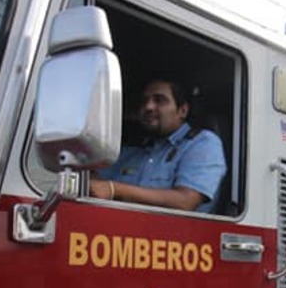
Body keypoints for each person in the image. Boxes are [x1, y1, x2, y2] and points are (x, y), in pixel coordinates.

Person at [89, 78, 226, 213]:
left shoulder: (202, 143)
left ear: (182, 111)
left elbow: (186, 201)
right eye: (144, 101)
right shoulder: (133, 149)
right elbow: (98, 183)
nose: (148, 107)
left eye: (159, 100)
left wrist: (115, 189)